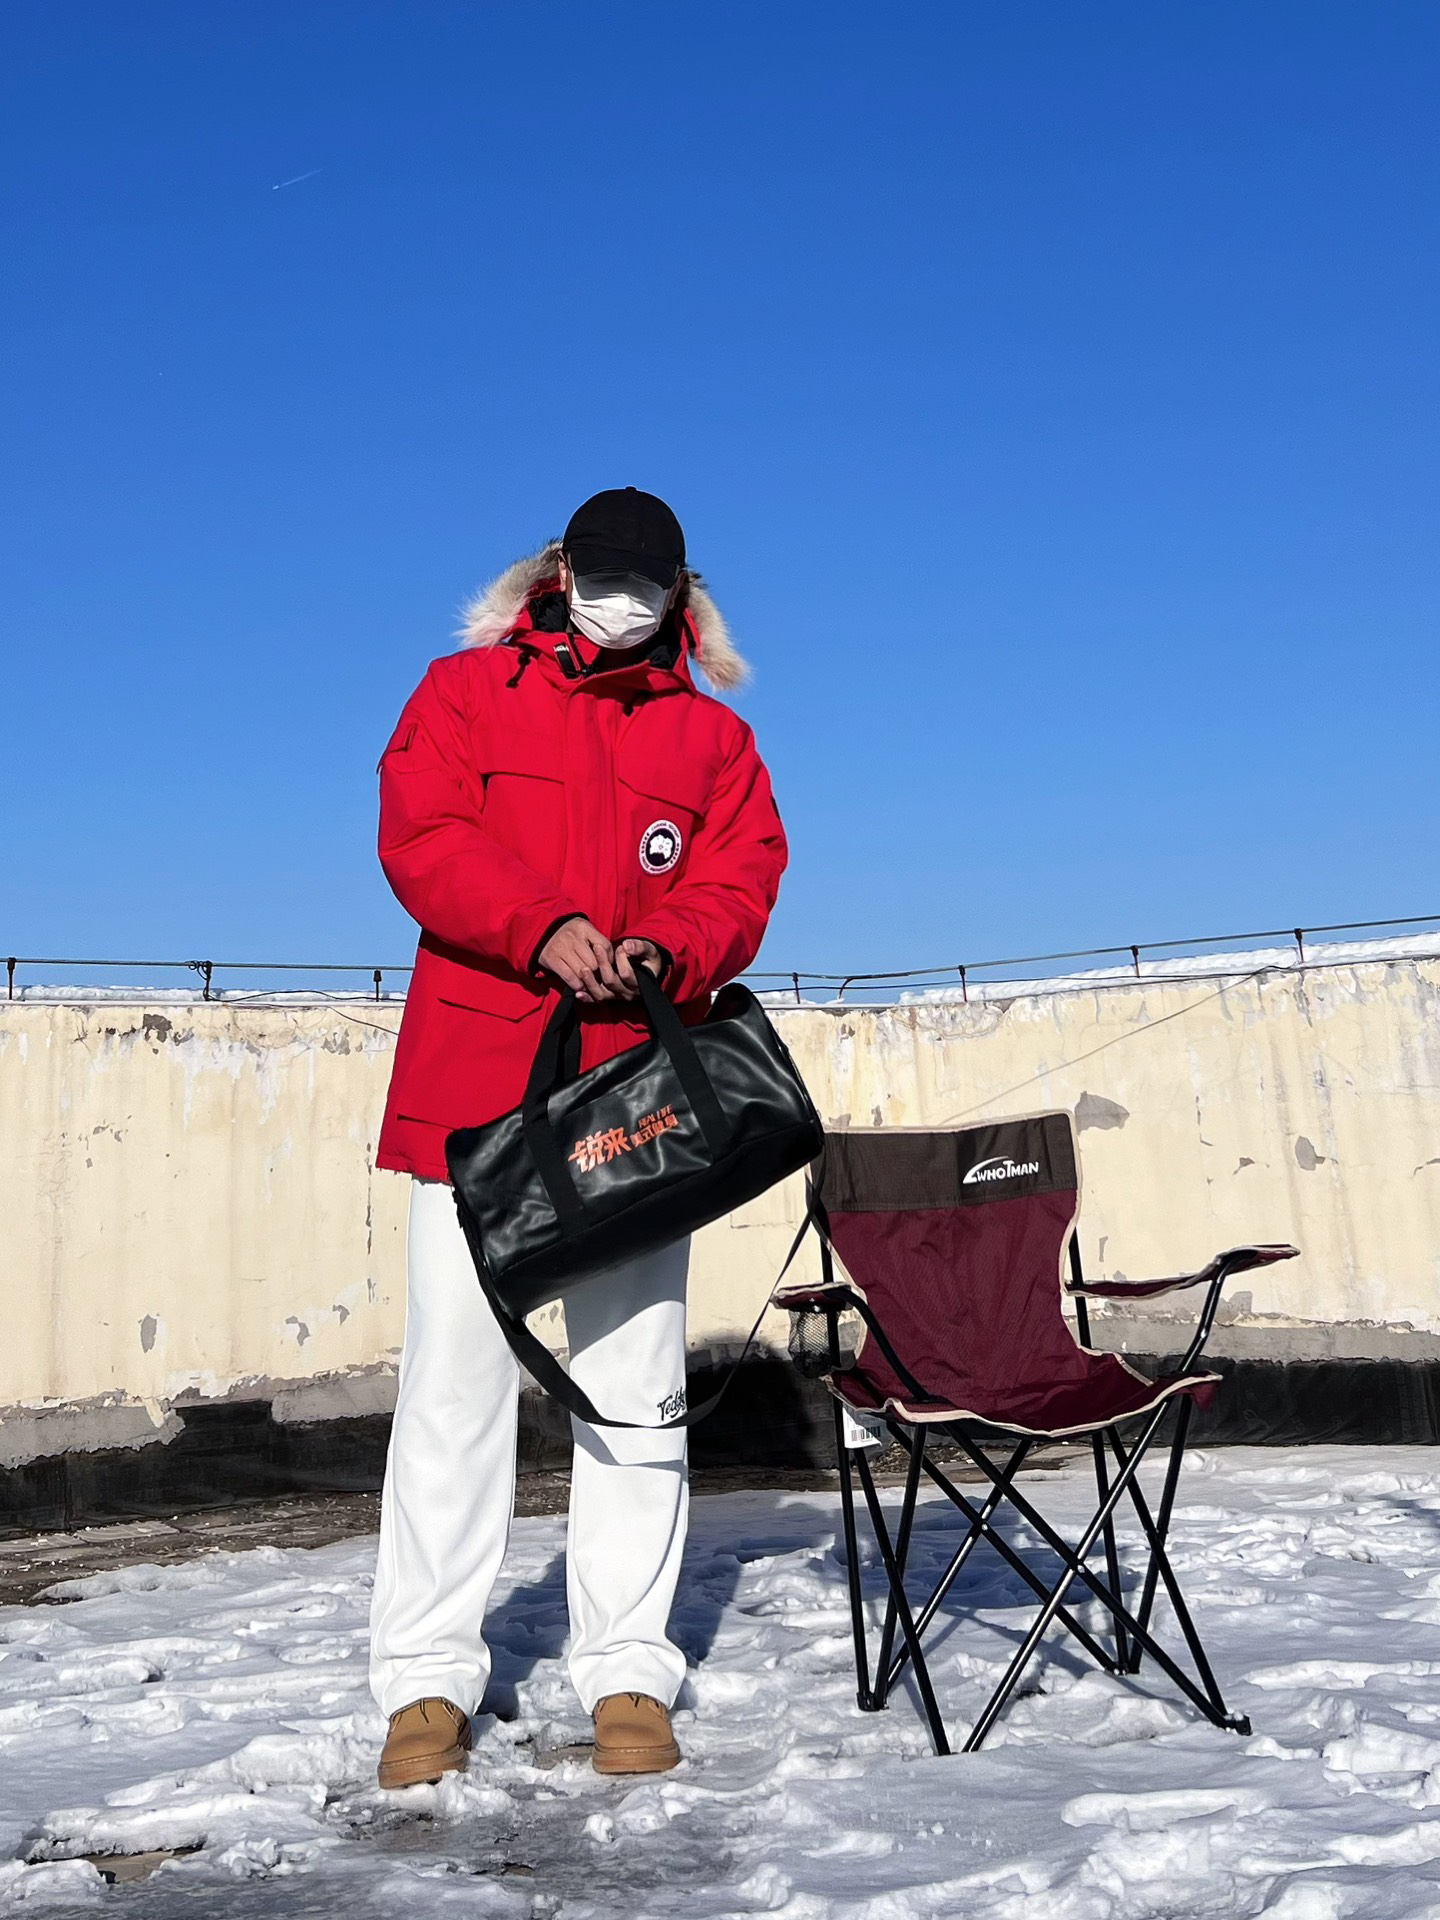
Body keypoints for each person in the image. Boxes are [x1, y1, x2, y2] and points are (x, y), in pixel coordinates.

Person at [368, 488, 787, 1788]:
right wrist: (544, 925)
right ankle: (426, 1685)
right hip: (478, 1097)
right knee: (453, 1389)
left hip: (639, 1106)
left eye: (644, 584)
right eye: (602, 578)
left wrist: (675, 942)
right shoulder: (461, 694)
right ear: (559, 574)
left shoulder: (714, 738)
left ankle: (627, 1677)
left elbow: (743, 870)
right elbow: (422, 835)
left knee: (636, 1390)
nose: (621, 603)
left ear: (679, 590)